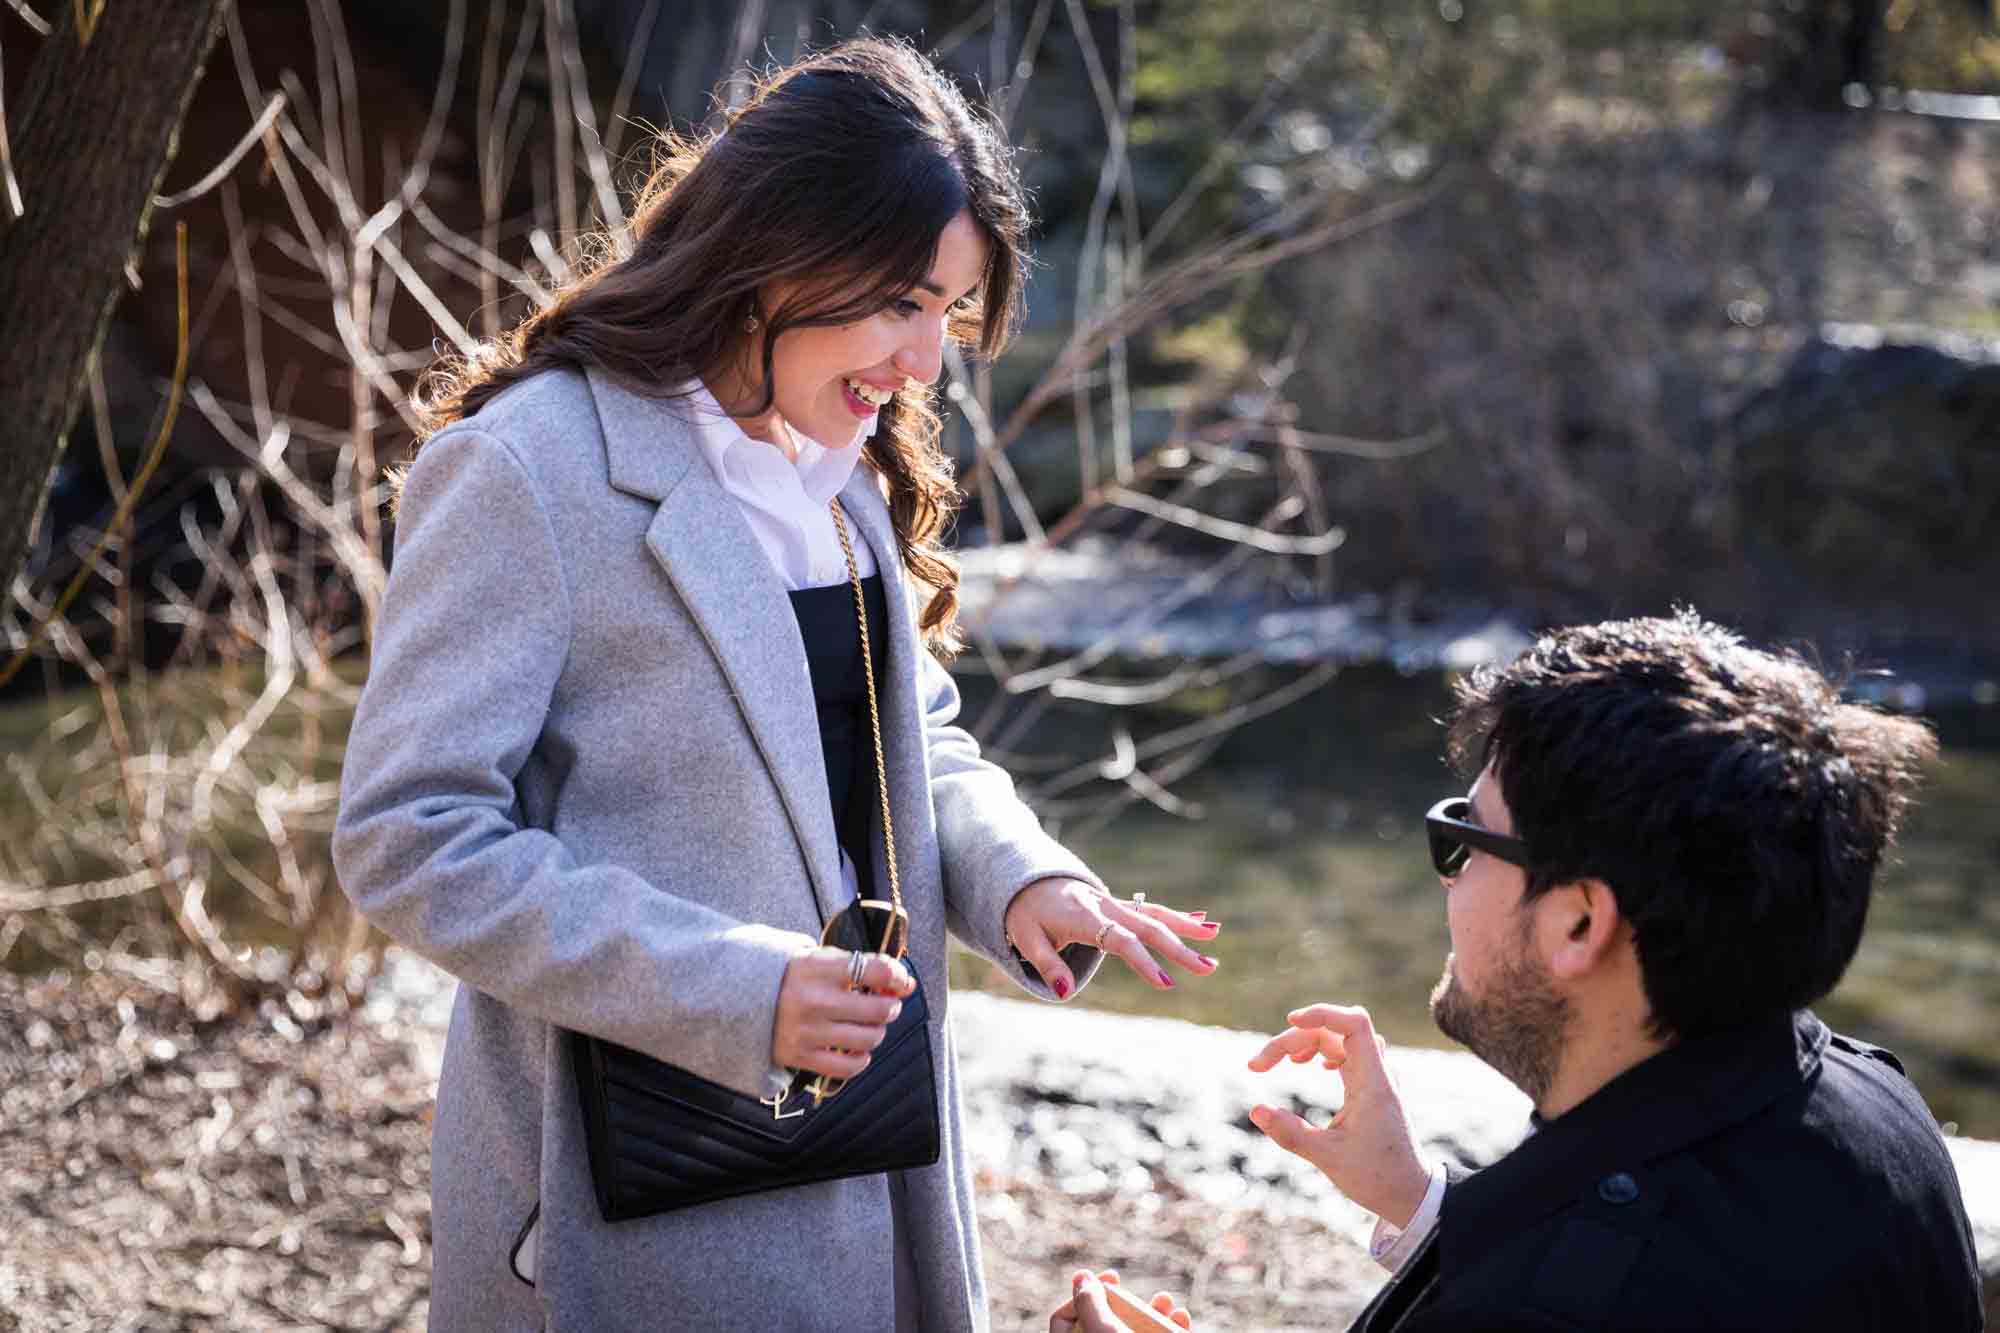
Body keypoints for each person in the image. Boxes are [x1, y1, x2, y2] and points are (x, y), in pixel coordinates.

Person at [332, 37, 1220, 1333]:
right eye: (903, 303)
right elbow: (409, 840)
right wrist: (739, 989)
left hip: (873, 1162)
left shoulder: (843, 473)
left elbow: (899, 736)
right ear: (777, 256)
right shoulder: (527, 472)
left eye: (950, 315)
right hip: (625, 1210)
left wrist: (1021, 879)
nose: (928, 364)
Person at [1051, 612, 1983, 1332]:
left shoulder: (1550, 1305)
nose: (1449, 883)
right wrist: (1419, 1202)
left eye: (1465, 837)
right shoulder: (1882, 1118)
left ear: (1580, 919)